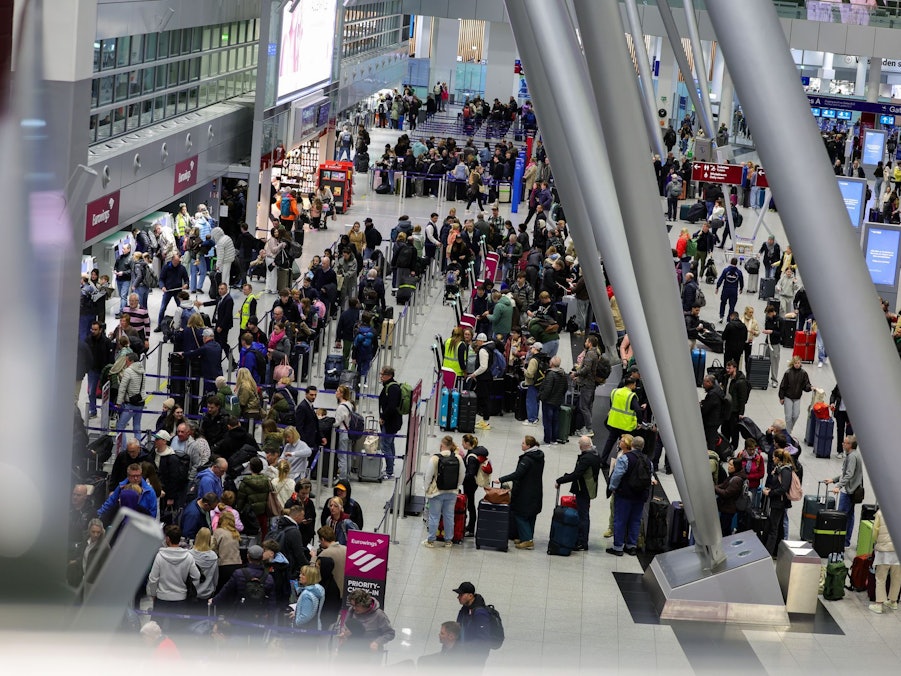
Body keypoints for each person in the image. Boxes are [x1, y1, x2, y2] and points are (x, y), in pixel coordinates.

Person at [146, 524, 201, 632]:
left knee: (157, 632)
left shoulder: (160, 556)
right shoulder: (188, 557)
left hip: (162, 599)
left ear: (167, 539)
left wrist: (153, 594)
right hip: (180, 599)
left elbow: (153, 578)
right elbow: (197, 576)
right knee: (177, 633)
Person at [606, 431, 652, 556]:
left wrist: (612, 487)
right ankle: (631, 546)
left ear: (632, 445)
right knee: (635, 520)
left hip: (625, 494)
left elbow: (617, 475)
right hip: (640, 495)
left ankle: (618, 547)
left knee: (620, 520)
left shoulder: (626, 458)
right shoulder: (648, 461)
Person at [209, 544, 275, 630]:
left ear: (248, 556)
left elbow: (225, 591)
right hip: (258, 617)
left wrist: (213, 601)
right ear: (262, 557)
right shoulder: (269, 578)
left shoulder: (239, 574)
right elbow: (272, 602)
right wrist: (271, 623)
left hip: (239, 615)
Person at [498, 436, 545, 550]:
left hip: (525, 491)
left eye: (523, 443)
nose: (521, 445)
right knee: (531, 515)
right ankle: (526, 537)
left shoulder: (526, 459)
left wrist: (501, 479)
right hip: (536, 490)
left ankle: (527, 540)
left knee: (520, 514)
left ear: (529, 446)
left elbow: (518, 474)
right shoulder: (539, 456)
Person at [555, 436, 601, 551]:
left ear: (582, 446)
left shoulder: (586, 458)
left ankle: (582, 542)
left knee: (583, 516)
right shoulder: (595, 455)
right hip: (589, 488)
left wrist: (561, 480)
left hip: (583, 489)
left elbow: (577, 474)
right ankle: (582, 540)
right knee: (584, 515)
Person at [423, 435, 465, 548]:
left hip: (437, 492)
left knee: (434, 516)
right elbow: (462, 475)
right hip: (452, 492)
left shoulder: (435, 458)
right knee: (449, 516)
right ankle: (448, 541)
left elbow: (428, 476)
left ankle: (431, 540)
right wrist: (456, 486)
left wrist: (427, 489)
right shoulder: (458, 458)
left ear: (441, 446)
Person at [823, 435, 864, 550]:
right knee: (850, 516)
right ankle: (845, 541)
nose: (842, 444)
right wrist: (834, 479)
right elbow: (846, 473)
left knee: (840, 516)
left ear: (850, 445)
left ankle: (838, 541)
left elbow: (849, 474)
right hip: (853, 490)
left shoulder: (851, 457)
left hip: (848, 491)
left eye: (845, 443)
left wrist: (838, 486)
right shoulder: (855, 455)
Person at [571, 335, 609, 437]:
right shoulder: (596, 353)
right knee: (587, 406)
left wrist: (576, 374)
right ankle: (587, 427)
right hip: (590, 384)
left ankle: (589, 428)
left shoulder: (590, 354)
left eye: (587, 341)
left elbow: (586, 369)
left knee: (584, 407)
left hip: (587, 384)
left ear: (590, 343)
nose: (585, 343)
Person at [599, 377, 640, 470]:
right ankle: (623, 464)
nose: (635, 386)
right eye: (634, 384)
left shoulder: (615, 391)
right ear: (631, 384)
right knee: (626, 444)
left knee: (609, 442)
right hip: (625, 425)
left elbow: (611, 404)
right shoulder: (631, 396)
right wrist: (639, 422)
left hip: (614, 422)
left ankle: (603, 461)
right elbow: (637, 409)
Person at [452, 581, 494, 666]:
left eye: (461, 594)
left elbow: (483, 640)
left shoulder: (480, 613)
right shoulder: (465, 609)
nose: (458, 597)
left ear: (470, 596)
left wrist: (464, 647)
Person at [762, 448, 794, 556]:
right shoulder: (780, 468)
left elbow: (784, 488)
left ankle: (769, 552)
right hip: (776, 501)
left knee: (773, 528)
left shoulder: (786, 470)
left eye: (773, 458)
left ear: (777, 458)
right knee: (775, 525)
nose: (772, 459)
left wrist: (770, 493)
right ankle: (774, 550)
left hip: (779, 502)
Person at [870, 509, 900, 614]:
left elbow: (875, 531)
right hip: (898, 551)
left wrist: (877, 542)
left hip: (884, 551)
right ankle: (893, 601)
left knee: (880, 577)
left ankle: (879, 604)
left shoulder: (881, 512)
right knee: (897, 577)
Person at [377, 366, 403, 479]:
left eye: (383, 374)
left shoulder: (393, 388)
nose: (381, 377)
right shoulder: (389, 386)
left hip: (390, 422)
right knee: (390, 443)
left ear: (389, 376)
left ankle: (389, 471)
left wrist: (383, 417)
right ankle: (391, 466)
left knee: (385, 445)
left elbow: (391, 407)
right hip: (392, 421)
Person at [718, 360, 750, 449]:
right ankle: (725, 446)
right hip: (726, 409)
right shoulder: (726, 378)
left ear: (735, 368)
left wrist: (741, 412)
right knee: (724, 429)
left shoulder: (741, 382)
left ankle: (733, 447)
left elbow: (742, 398)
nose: (727, 370)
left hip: (734, 410)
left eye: (729, 368)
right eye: (727, 368)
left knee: (734, 431)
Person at [538, 355, 568, 446]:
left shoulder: (551, 374)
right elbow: (565, 388)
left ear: (551, 363)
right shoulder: (563, 374)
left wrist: (541, 397)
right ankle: (554, 439)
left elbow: (547, 389)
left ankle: (547, 440)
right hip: (557, 401)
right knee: (555, 421)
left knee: (547, 421)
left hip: (548, 402)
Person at [778, 356, 812, 435]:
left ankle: (788, 429)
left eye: (798, 363)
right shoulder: (788, 373)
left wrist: (810, 387)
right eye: (795, 363)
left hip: (797, 397)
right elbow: (783, 386)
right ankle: (788, 434)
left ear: (801, 364)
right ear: (793, 364)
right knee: (788, 417)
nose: (797, 365)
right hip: (788, 397)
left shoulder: (803, 373)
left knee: (796, 415)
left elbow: (806, 385)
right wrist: (781, 397)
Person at [714, 458, 748, 536]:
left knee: (725, 530)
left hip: (729, 509)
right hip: (726, 508)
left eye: (731, 465)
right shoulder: (733, 476)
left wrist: (714, 488)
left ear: (736, 467)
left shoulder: (736, 480)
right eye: (728, 464)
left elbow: (726, 493)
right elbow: (723, 485)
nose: (728, 466)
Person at [188, 527, 219, 603]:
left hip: (192, 593)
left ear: (197, 536)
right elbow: (215, 578)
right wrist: (213, 589)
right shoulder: (214, 557)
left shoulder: (189, 555)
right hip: (207, 593)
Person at [699, 374, 726, 451]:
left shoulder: (712, 394)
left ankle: (712, 458)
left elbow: (705, 409)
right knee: (711, 439)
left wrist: (701, 406)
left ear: (710, 383)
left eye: (705, 382)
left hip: (711, 422)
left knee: (711, 441)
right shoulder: (717, 389)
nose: (703, 384)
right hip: (717, 420)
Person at [715, 257, 744, 323]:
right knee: (732, 305)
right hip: (734, 290)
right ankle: (729, 319)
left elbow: (721, 279)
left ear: (730, 262)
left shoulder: (725, 270)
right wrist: (741, 288)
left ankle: (721, 316)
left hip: (726, 289)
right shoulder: (739, 272)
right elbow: (741, 281)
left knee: (723, 303)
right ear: (736, 263)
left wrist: (717, 287)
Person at [762, 304, 782, 387]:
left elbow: (781, 333)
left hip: (775, 345)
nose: (767, 315)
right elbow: (766, 327)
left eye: (768, 313)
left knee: (774, 363)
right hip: (767, 343)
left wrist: (772, 332)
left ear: (772, 312)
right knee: (765, 361)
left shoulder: (780, 320)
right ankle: (764, 378)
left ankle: (774, 380)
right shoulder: (768, 319)